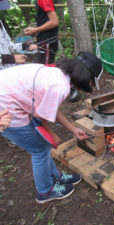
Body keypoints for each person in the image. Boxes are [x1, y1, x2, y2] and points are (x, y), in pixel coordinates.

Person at [0, 51, 103, 203]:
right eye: (92, 81)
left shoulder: (58, 73)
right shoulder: (60, 87)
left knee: (43, 146)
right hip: (5, 109)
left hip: (11, 97)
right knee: (40, 149)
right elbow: (41, 116)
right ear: (86, 76)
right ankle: (45, 191)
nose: (90, 85)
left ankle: (55, 177)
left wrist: (73, 130)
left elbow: (51, 109)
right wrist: (51, 135)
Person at [0, 0, 37, 70]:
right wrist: (10, 58)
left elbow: (8, 44)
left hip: (7, 70)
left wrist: (24, 46)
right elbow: (8, 58)